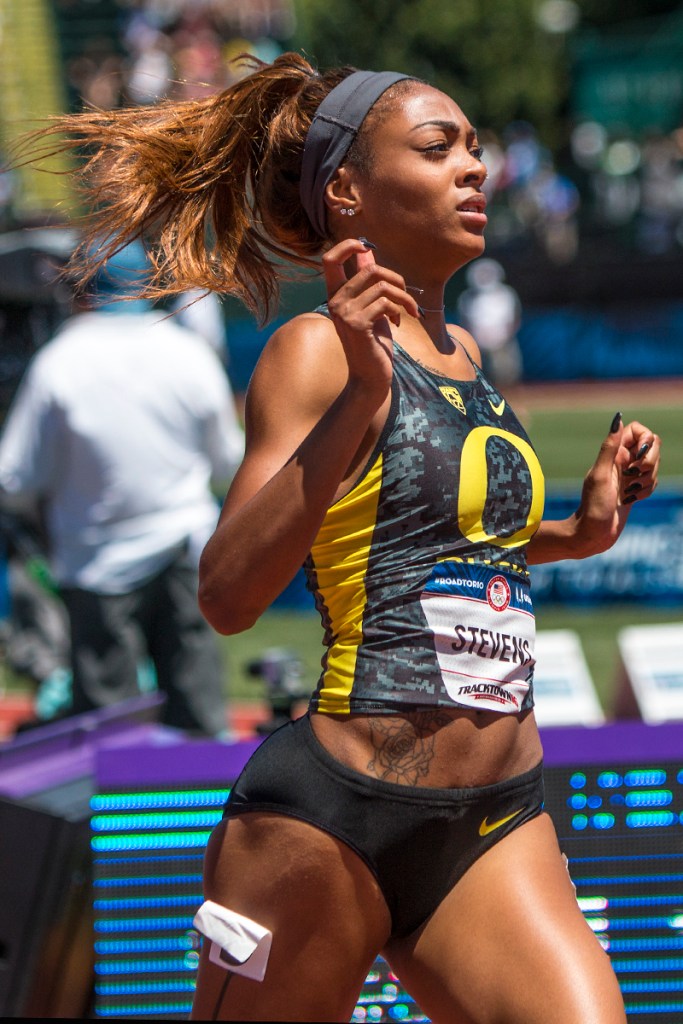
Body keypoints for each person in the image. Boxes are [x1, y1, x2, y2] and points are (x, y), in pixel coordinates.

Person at [23, 53, 660, 1022]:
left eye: (476, 149)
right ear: (346, 192)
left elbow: (438, 541)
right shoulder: (314, 351)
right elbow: (226, 594)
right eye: (437, 147)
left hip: (492, 819)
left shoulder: (465, 356)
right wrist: (360, 397)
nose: (474, 168)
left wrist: (579, 528)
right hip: (333, 817)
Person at [0, 242, 245, 736]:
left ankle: (114, 812)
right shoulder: (188, 352)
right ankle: (199, 808)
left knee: (111, 727)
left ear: (84, 289)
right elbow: (228, 460)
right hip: (184, 552)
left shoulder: (60, 360)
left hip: (94, 564)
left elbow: (16, 478)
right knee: (194, 707)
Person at [457, 257, 523, 387]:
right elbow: (465, 321)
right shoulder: (467, 298)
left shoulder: (506, 294)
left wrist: (503, 337)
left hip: (503, 344)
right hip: (478, 344)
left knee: (508, 375)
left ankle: (514, 403)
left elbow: (515, 318)